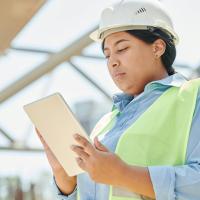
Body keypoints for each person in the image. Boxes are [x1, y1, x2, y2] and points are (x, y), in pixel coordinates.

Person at [36, 0, 200, 199]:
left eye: (122, 49)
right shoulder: (104, 126)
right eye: (107, 55)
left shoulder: (193, 96)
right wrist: (65, 180)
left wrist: (125, 175)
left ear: (157, 48)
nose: (113, 61)